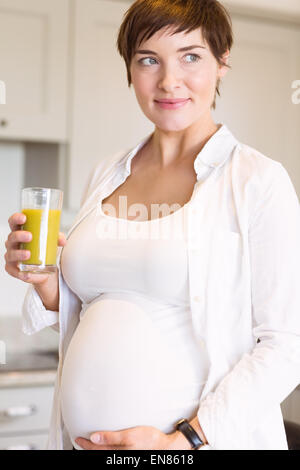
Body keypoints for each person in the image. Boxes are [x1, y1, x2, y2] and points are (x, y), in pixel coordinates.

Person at [4, 0, 300, 450]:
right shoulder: (107, 172)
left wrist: (184, 443)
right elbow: (96, 312)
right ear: (130, 69)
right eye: (148, 60)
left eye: (190, 56)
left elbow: (287, 346)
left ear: (222, 63)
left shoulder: (257, 181)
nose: (168, 81)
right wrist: (47, 284)